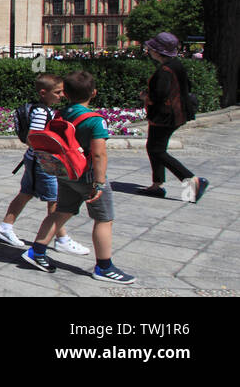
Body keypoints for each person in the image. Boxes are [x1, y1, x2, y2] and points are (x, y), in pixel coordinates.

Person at [22, 71, 135, 284]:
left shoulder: (60, 114)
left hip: (65, 172)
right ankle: (104, 267)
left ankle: (36, 251)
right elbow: (99, 153)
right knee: (104, 219)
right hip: (87, 175)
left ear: (66, 93)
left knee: (61, 212)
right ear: (93, 92)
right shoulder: (95, 121)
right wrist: (99, 183)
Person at [0, 74, 89, 256]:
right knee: (55, 201)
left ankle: (5, 227)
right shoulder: (41, 112)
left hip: (36, 159)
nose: (61, 95)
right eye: (58, 92)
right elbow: (34, 137)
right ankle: (61, 239)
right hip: (42, 162)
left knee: (26, 193)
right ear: (44, 93)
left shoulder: (43, 109)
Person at [138, 32, 207, 203]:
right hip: (176, 113)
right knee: (154, 146)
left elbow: (159, 94)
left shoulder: (165, 70)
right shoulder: (176, 65)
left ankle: (192, 180)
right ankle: (157, 184)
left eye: (152, 48)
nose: (149, 50)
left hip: (165, 115)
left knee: (157, 150)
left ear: (158, 51)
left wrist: (146, 97)